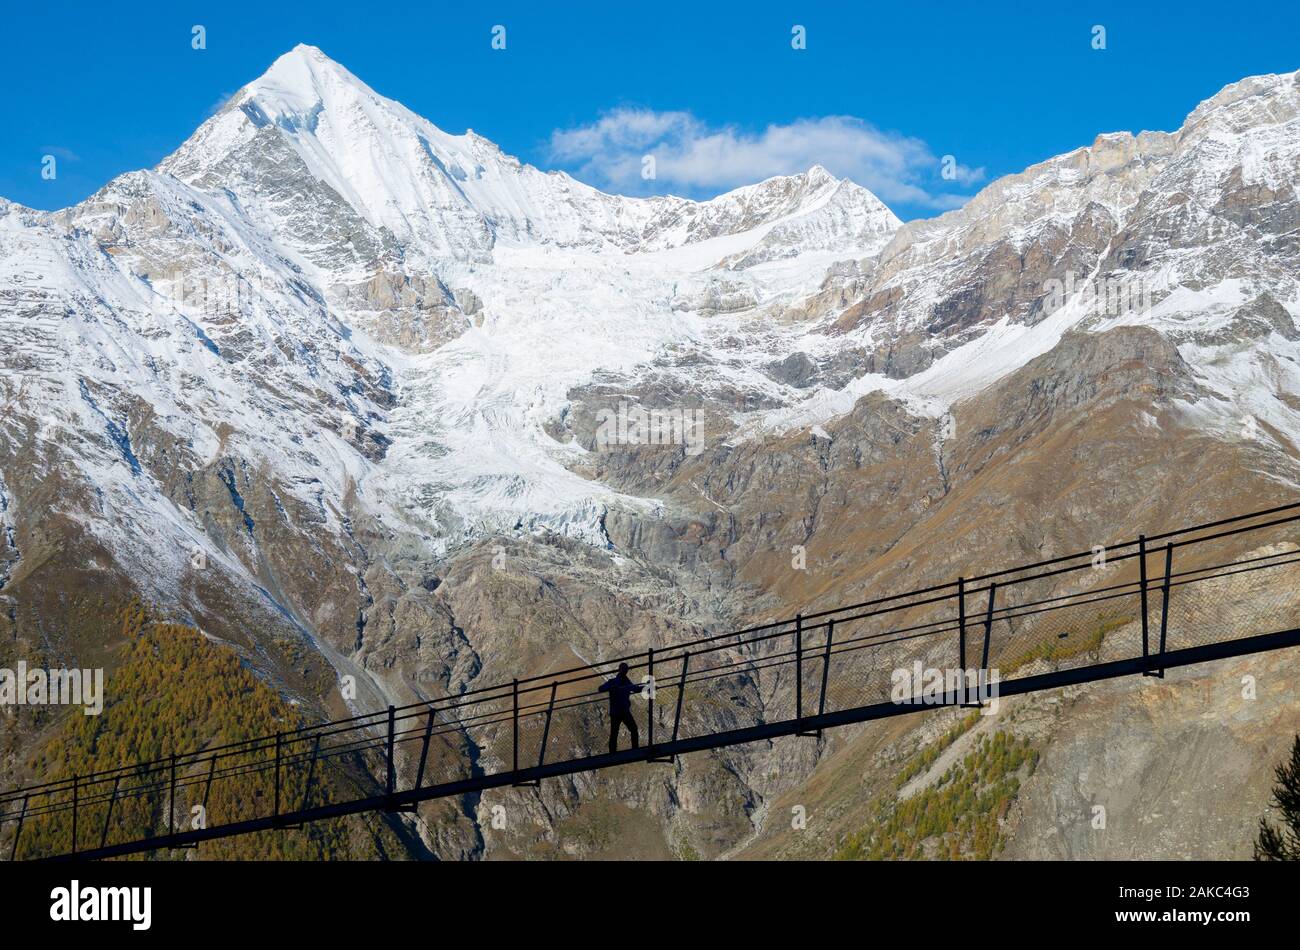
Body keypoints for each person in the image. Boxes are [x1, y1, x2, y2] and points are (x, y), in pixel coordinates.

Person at [598, 662, 645, 753]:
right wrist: (647, 687)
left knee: (615, 733)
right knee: (632, 729)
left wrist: (646, 686)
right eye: (624, 669)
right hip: (622, 711)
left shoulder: (616, 682)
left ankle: (612, 753)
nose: (625, 671)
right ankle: (635, 750)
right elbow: (636, 688)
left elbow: (601, 688)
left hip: (617, 712)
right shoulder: (622, 682)